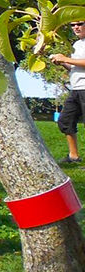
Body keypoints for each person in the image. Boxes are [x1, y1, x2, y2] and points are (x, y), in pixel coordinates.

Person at [50, 19, 85, 166]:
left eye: (80, 23)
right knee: (65, 120)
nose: (76, 27)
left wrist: (66, 58)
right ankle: (73, 156)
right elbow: (75, 67)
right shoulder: (77, 45)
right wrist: (63, 63)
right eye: (73, 25)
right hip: (76, 89)